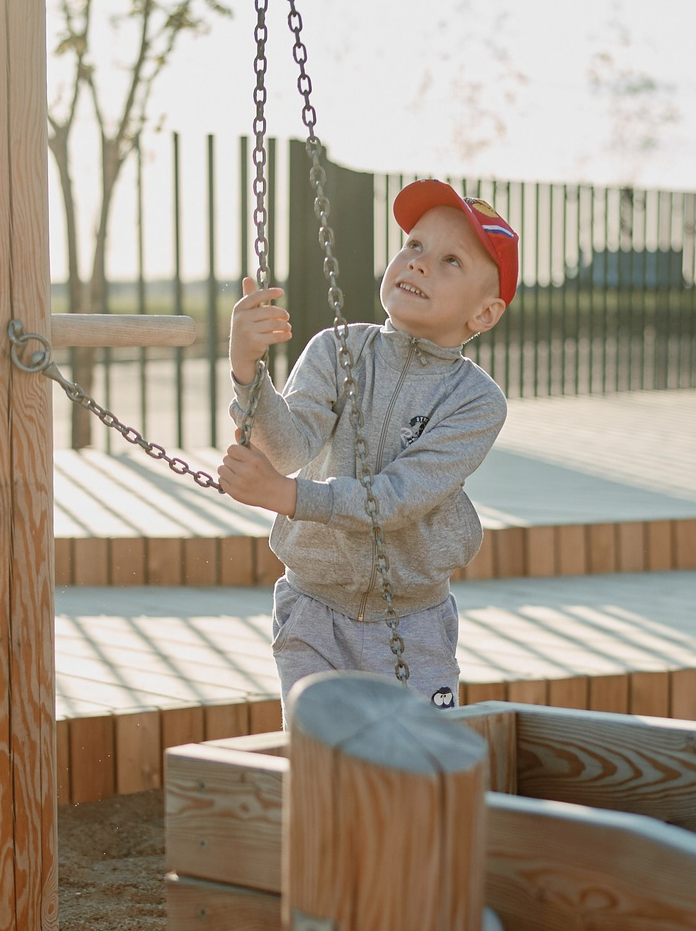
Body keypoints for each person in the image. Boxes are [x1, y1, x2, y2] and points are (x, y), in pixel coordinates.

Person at [219, 179, 516, 708]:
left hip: (414, 620)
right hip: (313, 609)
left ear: (484, 313)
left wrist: (290, 498)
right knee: (319, 766)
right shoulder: (336, 351)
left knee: (416, 772)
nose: (419, 263)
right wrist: (247, 370)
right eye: (415, 245)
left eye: (451, 261)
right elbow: (288, 448)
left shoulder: (475, 400)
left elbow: (399, 498)